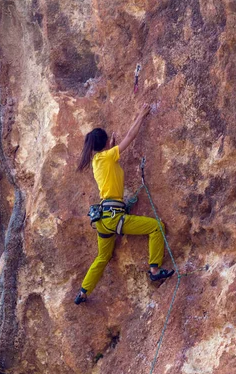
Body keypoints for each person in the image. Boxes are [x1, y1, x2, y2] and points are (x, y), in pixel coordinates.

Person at [74, 103, 174, 305]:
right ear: (105, 145)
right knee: (157, 227)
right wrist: (140, 115)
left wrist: (111, 147)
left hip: (103, 219)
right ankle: (154, 270)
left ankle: (83, 291)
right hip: (114, 217)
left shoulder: (98, 161)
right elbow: (130, 137)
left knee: (103, 257)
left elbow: (111, 167)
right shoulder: (107, 157)